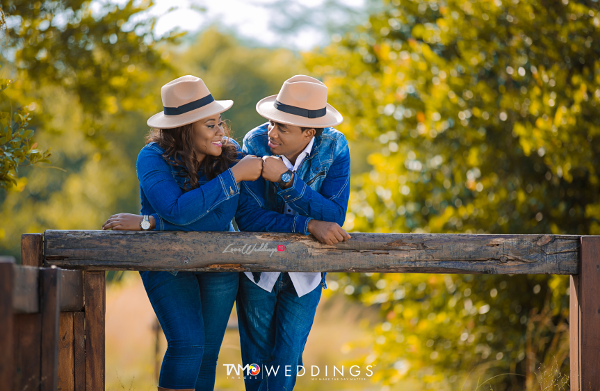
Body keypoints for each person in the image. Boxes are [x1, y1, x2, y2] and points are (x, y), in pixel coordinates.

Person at [101, 75, 263, 391]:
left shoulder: (229, 156)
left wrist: (148, 222)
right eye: (210, 125)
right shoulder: (152, 157)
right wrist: (232, 179)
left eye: (220, 123)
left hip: (220, 264)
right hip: (166, 262)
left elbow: (216, 222)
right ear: (185, 129)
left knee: (206, 356)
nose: (221, 133)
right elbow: (178, 210)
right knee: (187, 343)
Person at [235, 75, 352, 390]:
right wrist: (308, 225)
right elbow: (248, 217)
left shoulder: (336, 147)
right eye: (272, 122)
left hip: (308, 271)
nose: (271, 133)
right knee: (256, 365)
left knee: (286, 361)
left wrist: (286, 179)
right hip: (258, 266)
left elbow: (334, 215)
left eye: (282, 128)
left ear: (309, 131)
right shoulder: (254, 143)